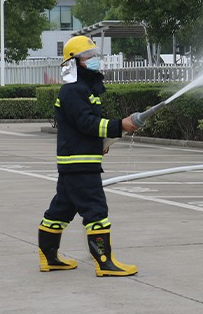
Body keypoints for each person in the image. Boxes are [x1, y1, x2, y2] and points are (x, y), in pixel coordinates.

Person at [38, 35, 139, 277]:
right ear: (76, 62)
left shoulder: (82, 89)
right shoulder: (73, 90)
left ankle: (49, 257)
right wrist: (119, 125)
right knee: (96, 211)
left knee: (60, 210)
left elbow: (83, 126)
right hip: (80, 163)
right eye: (89, 57)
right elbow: (86, 122)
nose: (95, 61)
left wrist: (103, 141)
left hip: (78, 161)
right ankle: (104, 262)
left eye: (95, 56)